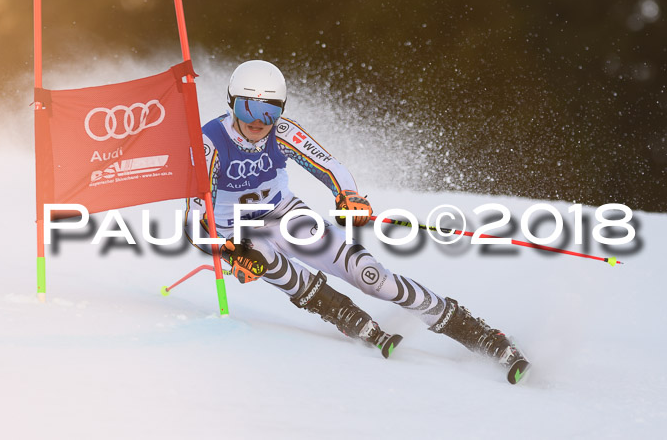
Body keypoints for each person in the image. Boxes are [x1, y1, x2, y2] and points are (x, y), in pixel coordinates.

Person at [185, 60, 529, 383]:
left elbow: (329, 165)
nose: (258, 121)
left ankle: (473, 331)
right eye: (248, 108)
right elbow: (192, 221)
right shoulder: (210, 143)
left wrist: (347, 194)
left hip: (283, 213)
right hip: (234, 229)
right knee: (262, 257)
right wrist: (228, 252)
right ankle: (337, 311)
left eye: (270, 111)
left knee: (372, 276)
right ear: (232, 103)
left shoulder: (282, 132)